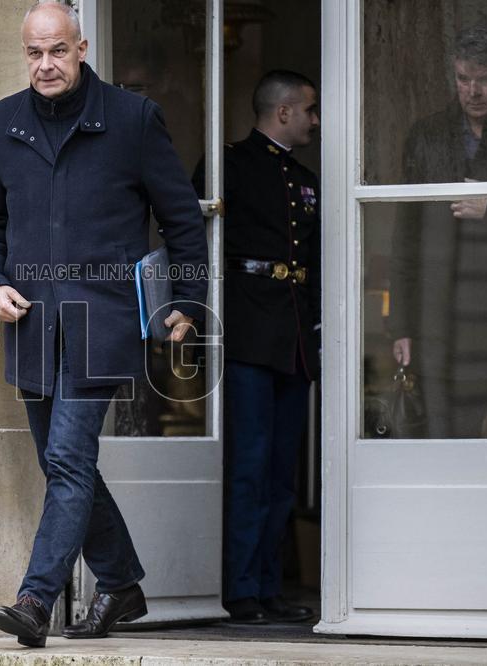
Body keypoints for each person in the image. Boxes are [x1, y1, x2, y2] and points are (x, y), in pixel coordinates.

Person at [0, 0, 208, 648]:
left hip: (103, 321)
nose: (45, 64)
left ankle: (35, 599)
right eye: (34, 53)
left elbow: (182, 217)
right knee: (59, 462)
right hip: (33, 323)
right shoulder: (4, 122)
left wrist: (186, 298)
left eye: (57, 51)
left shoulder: (133, 120)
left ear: (81, 48)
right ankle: (121, 581)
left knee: (69, 458)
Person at [389, 25, 487, 438]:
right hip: (445, 323)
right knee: (445, 445)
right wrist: (402, 325)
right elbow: (406, 238)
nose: (472, 91)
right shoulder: (428, 137)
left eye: (484, 79)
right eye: (463, 79)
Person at [219, 70, 321, 624]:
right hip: (248, 332)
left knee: (282, 472)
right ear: (283, 112)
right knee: (249, 467)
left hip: (293, 337)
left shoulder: (305, 178)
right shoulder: (230, 164)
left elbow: (315, 262)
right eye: (309, 109)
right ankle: (240, 590)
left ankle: (270, 586)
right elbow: (191, 238)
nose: (315, 119)